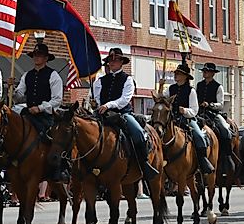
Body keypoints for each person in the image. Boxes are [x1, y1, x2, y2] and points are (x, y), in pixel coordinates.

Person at [91, 48, 159, 181]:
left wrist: (108, 105)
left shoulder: (128, 80)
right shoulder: (99, 81)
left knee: (138, 132)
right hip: (103, 114)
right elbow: (98, 99)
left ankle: (144, 163)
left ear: (121, 62)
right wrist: (97, 105)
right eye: (110, 60)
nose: (112, 63)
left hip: (122, 114)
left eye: (115, 60)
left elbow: (124, 100)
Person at [10, 43, 66, 180]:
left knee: (54, 139)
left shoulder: (53, 76)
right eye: (35, 55)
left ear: (46, 58)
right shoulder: (27, 75)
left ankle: (59, 169)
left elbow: (57, 100)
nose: (36, 58)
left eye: (40, 55)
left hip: (46, 116)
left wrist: (40, 107)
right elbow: (19, 96)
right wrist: (12, 88)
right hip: (28, 113)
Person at [159, 63, 214, 175]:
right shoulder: (171, 88)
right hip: (171, 119)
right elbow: (160, 98)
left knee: (198, 136)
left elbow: (194, 110)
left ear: (185, 76)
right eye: (175, 73)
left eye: (178, 74)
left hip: (186, 120)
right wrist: (160, 86)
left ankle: (203, 161)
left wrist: (184, 111)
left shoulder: (191, 91)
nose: (176, 75)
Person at [196, 63, 235, 175]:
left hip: (213, 114)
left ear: (213, 73)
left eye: (207, 71)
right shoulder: (199, 85)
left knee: (224, 130)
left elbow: (221, 104)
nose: (204, 73)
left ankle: (227, 157)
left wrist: (210, 104)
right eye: (204, 71)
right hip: (199, 113)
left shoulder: (218, 87)